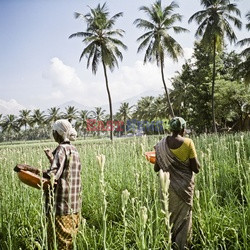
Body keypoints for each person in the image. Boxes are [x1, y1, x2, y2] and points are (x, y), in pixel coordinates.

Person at [154, 117, 200, 250]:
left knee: (169, 217)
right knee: (184, 218)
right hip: (184, 189)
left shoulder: (160, 144)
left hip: (167, 186)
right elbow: (195, 169)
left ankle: (171, 244)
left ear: (170, 129)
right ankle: (183, 246)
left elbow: (156, 168)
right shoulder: (188, 143)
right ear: (183, 129)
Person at [43, 119, 82, 250]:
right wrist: (51, 158)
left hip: (61, 206)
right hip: (74, 206)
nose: (53, 134)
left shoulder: (61, 149)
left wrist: (34, 171)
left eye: (53, 132)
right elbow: (65, 170)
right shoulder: (74, 149)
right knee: (69, 242)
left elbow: (53, 175)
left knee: (58, 243)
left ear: (58, 133)